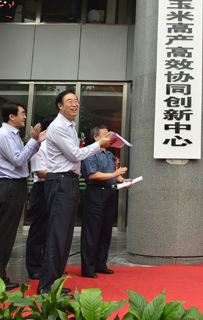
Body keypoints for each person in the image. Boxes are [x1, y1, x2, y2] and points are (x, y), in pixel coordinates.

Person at [37, 90, 115, 294]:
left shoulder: (70, 126)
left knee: (64, 236)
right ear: (60, 105)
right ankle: (46, 287)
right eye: (69, 101)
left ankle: (54, 283)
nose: (74, 104)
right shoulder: (58, 126)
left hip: (68, 181)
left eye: (76, 100)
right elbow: (74, 155)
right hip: (60, 181)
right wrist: (98, 145)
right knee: (57, 235)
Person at [0, 101, 45, 290]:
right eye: (22, 113)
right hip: (8, 186)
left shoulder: (13, 134)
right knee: (2, 234)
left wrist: (35, 142)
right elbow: (18, 160)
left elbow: (23, 158)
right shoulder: (4, 135)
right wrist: (33, 141)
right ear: (11, 116)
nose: (24, 117)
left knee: (6, 234)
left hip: (14, 186)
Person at [81, 125, 132, 278]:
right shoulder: (90, 152)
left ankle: (101, 264)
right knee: (92, 231)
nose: (109, 136)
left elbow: (113, 174)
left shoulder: (109, 154)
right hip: (96, 192)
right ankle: (88, 268)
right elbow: (92, 175)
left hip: (110, 192)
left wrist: (122, 180)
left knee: (106, 231)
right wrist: (114, 174)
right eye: (105, 134)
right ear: (96, 137)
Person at [25, 115, 56, 280]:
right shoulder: (40, 145)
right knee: (39, 230)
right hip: (42, 189)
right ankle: (34, 267)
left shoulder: (58, 145)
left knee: (53, 230)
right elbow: (40, 172)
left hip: (56, 187)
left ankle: (49, 265)